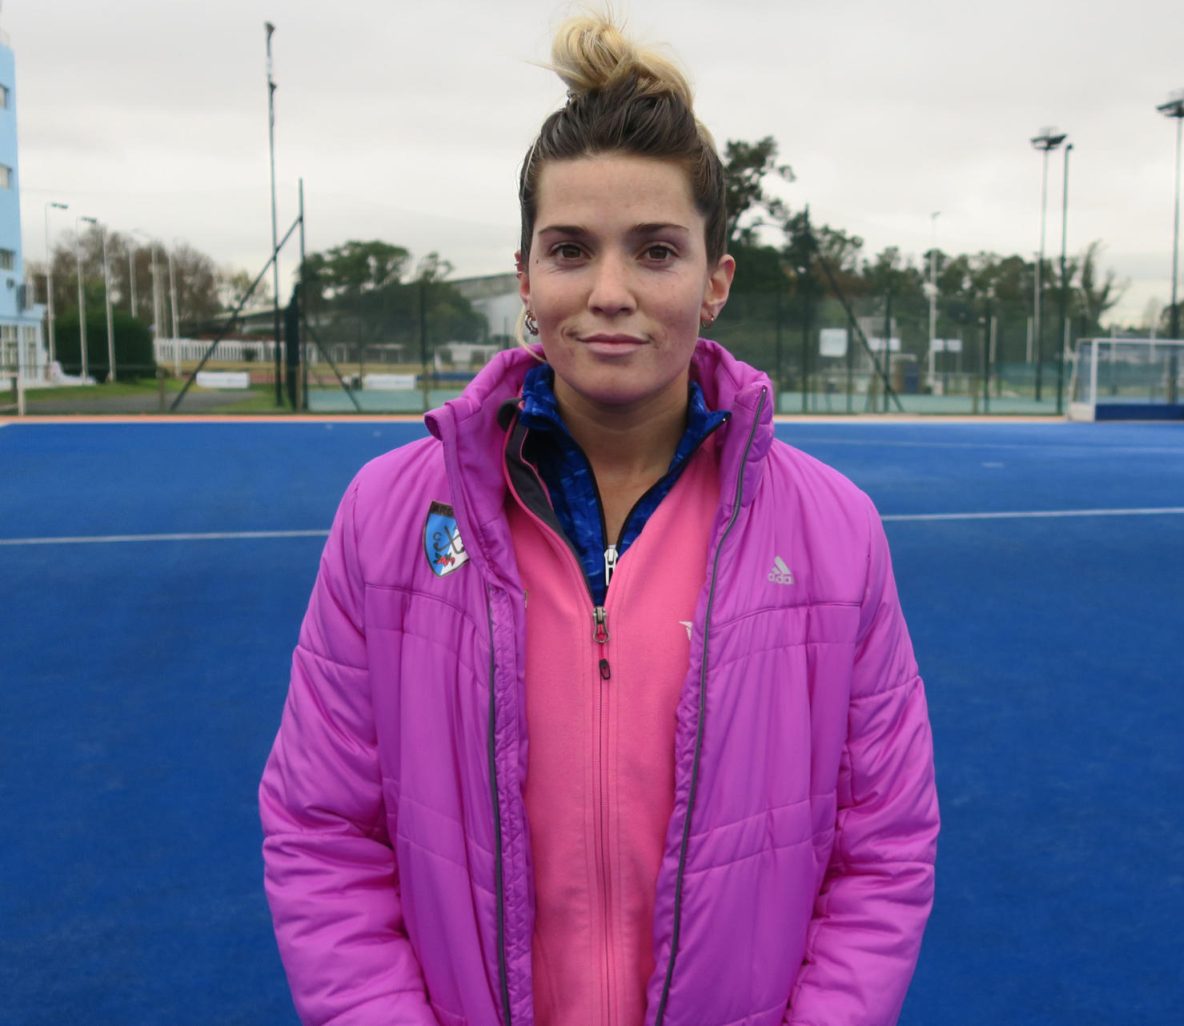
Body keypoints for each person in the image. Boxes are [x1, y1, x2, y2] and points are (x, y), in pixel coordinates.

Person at [259, 13, 938, 1026]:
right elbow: (322, 830)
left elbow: (883, 844)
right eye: (571, 250)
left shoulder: (835, 532)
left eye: (656, 251)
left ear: (714, 282)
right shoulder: (388, 517)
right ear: (527, 278)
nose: (609, 292)